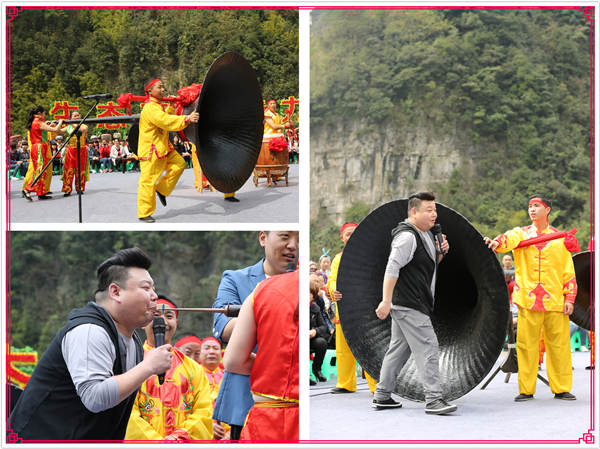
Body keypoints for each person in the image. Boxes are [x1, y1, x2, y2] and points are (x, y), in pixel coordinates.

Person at [9, 248, 173, 440]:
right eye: (146, 288)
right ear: (115, 292)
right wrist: (148, 366)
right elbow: (95, 397)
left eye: (153, 288)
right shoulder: (89, 330)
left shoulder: (133, 341)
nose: (154, 296)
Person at [484, 194, 578, 402]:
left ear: (547, 210)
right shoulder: (522, 234)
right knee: (526, 345)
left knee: (559, 346)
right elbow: (506, 240)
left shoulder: (559, 238)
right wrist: (496, 242)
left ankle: (561, 388)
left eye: (537, 206)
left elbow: (567, 270)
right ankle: (526, 389)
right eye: (530, 206)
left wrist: (570, 297)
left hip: (555, 300)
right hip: (528, 299)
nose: (532, 210)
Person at [372, 192, 457, 414]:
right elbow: (392, 267)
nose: (434, 214)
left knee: (398, 349)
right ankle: (434, 400)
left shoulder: (426, 234)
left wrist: (440, 253)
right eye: (428, 210)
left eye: (435, 210)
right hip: (410, 303)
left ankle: (382, 395)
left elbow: (426, 265)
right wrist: (386, 301)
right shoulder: (407, 237)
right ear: (414, 212)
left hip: (409, 302)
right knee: (429, 346)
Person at [211, 231, 299, 438]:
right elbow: (222, 328)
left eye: (299, 239)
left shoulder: (301, 283)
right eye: (285, 237)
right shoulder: (235, 278)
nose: (293, 245)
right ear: (263, 238)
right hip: (246, 397)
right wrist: (269, 315)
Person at [223, 269, 299, 441]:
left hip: (268, 420)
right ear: (263, 240)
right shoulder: (235, 279)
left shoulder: (263, 289)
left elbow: (233, 360)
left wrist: (271, 366)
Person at [125, 295, 213, 441]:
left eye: (169, 316)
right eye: (156, 315)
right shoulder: (131, 363)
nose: (163, 321)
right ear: (143, 322)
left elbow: (204, 412)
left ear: (176, 323)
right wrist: (158, 442)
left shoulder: (194, 369)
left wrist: (179, 438)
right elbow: (127, 414)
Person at [137, 78, 199, 223]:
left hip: (163, 146)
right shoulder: (150, 107)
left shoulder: (157, 106)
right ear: (150, 91)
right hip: (152, 150)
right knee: (148, 181)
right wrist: (187, 118)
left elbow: (164, 119)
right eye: (159, 87)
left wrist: (170, 108)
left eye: (163, 87)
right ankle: (144, 212)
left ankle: (162, 190)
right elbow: (165, 121)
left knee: (179, 164)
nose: (163, 90)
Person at [328, 223, 378, 394]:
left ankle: (375, 385)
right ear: (342, 238)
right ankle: (345, 383)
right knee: (343, 349)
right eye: (348, 234)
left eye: (354, 233)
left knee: (368, 347)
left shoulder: (368, 256)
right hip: (343, 309)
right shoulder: (337, 259)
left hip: (364, 309)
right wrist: (333, 290)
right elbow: (332, 279)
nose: (351, 237)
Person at [22, 106, 64, 201]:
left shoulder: (36, 122)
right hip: (39, 148)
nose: (45, 114)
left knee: (42, 170)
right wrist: (60, 122)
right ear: (40, 113)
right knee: (40, 170)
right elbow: (55, 130)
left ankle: (41, 193)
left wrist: (50, 124)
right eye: (44, 112)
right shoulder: (38, 122)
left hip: (39, 147)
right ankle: (27, 189)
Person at [60, 111, 89, 196]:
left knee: (80, 170)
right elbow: (60, 131)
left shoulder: (84, 126)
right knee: (68, 169)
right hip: (71, 150)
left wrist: (71, 122)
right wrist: (57, 124)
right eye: (75, 116)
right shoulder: (68, 126)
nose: (77, 117)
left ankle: (80, 188)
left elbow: (80, 130)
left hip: (82, 150)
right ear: (71, 117)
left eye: (78, 115)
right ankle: (67, 189)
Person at [310, 276, 329, 382]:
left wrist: (315, 331)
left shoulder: (315, 308)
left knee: (322, 342)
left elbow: (323, 326)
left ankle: (317, 369)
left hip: (312, 337)